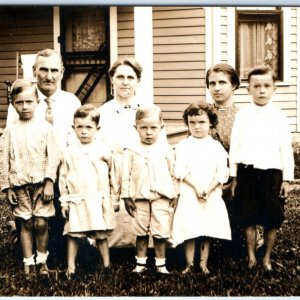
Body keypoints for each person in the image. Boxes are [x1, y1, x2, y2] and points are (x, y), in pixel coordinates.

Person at [6, 48, 81, 262]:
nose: (49, 76)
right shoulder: (23, 101)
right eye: (44, 70)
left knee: (60, 210)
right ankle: (24, 241)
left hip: (64, 166)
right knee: (30, 216)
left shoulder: (71, 101)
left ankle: (58, 249)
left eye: (54, 70)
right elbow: (12, 144)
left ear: (62, 72)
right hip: (31, 172)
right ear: (34, 70)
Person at [229, 65, 294, 271]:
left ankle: (266, 257)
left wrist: (287, 178)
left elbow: (286, 148)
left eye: (267, 86)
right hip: (247, 172)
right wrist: (234, 175)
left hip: (272, 173)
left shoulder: (280, 117)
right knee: (248, 215)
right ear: (249, 90)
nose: (262, 90)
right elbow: (235, 145)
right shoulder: (243, 116)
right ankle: (251, 256)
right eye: (256, 86)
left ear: (274, 88)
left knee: (271, 217)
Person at [98, 57, 167, 247]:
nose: (125, 82)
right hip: (113, 171)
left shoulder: (149, 111)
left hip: (142, 172)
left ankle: (147, 247)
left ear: (138, 81)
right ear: (112, 80)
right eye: (120, 77)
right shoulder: (103, 113)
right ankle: (116, 246)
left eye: (130, 77)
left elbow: (161, 147)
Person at [0, 79, 60, 278]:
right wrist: (6, 187)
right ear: (13, 104)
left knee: (41, 223)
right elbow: (3, 160)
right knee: (25, 223)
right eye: (19, 102)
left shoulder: (46, 128)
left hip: (42, 185)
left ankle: (42, 261)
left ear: (37, 102)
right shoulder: (9, 131)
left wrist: (50, 181)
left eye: (29, 101)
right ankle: (28, 264)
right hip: (19, 185)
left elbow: (53, 156)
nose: (24, 106)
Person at [171, 101, 231, 275]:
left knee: (206, 228)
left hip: (210, 194)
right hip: (190, 193)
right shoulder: (184, 146)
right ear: (188, 124)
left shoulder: (215, 146)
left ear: (210, 122)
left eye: (201, 122)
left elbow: (222, 172)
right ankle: (189, 265)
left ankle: (203, 264)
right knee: (190, 228)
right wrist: (197, 187)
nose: (197, 127)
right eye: (192, 123)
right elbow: (180, 170)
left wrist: (209, 189)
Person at [59, 104, 115, 279]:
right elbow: (63, 177)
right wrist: (65, 201)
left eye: (88, 127)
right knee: (73, 234)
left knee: (101, 234)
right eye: (79, 127)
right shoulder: (69, 152)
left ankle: (106, 265)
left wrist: (114, 197)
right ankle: (71, 267)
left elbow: (113, 174)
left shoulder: (103, 150)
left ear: (97, 129)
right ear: (73, 128)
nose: (84, 131)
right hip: (77, 199)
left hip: (97, 198)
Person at [120, 105, 178, 274]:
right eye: (143, 128)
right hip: (139, 197)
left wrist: (175, 194)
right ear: (135, 128)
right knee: (140, 231)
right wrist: (126, 196)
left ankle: (161, 264)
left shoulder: (166, 149)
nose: (148, 132)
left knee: (160, 232)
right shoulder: (131, 150)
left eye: (153, 128)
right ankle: (141, 263)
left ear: (161, 127)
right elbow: (125, 175)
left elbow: (173, 173)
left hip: (162, 197)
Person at [206, 63, 247, 258]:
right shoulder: (203, 115)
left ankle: (239, 244)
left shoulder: (244, 116)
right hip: (209, 176)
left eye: (222, 82)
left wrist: (234, 178)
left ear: (234, 85)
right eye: (212, 83)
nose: (217, 87)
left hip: (238, 176)